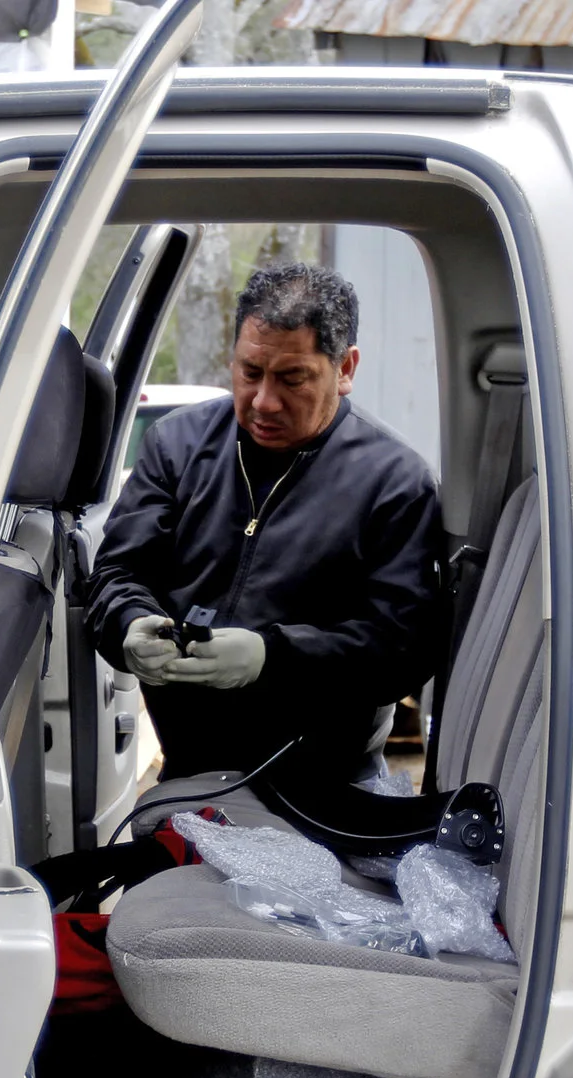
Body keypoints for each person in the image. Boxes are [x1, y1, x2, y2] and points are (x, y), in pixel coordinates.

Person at [85, 261, 448, 782]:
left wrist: (272, 657)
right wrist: (129, 626)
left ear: (345, 369)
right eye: (249, 373)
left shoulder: (395, 480)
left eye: (292, 378)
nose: (263, 402)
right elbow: (117, 576)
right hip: (190, 775)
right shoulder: (176, 445)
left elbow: (402, 647)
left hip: (331, 786)